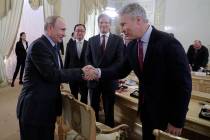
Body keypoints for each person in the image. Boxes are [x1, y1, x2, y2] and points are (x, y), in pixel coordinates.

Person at [84, 3, 192, 140]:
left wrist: (177, 120)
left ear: (138, 20)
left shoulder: (169, 43)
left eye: (123, 24)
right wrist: (98, 72)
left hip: (166, 115)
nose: (121, 29)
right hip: (146, 112)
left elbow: (184, 85)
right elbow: (120, 70)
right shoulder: (132, 46)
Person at [16, 16, 90, 140]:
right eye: (62, 30)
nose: (64, 34)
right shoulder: (39, 46)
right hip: (34, 110)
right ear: (50, 28)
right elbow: (52, 74)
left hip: (47, 109)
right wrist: (81, 72)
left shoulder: (53, 46)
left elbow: (57, 72)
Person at [85, 13, 124, 127]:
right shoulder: (91, 40)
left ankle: (109, 133)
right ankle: (93, 130)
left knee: (109, 109)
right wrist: (92, 71)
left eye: (106, 22)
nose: (103, 24)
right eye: (101, 22)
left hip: (109, 80)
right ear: (98, 24)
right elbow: (87, 58)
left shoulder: (118, 40)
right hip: (93, 80)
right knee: (93, 108)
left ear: (110, 24)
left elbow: (119, 61)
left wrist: (102, 73)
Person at [64, 24, 88, 104]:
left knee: (84, 96)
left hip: (85, 76)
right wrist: (65, 75)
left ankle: (83, 113)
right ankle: (75, 114)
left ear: (85, 32)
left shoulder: (89, 44)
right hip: (72, 74)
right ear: (74, 32)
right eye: (77, 30)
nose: (79, 32)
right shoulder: (70, 44)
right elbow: (67, 60)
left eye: (82, 31)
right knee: (73, 96)